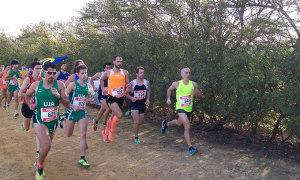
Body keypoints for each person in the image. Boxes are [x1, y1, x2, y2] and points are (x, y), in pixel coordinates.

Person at [25, 62, 69, 180]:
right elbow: (27, 96)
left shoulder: (60, 85)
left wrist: (59, 96)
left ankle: (38, 160)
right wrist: (30, 104)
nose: (51, 75)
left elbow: (67, 104)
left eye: (54, 73)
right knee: (47, 145)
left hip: (53, 121)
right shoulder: (35, 85)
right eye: (49, 73)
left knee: (47, 146)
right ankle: (40, 166)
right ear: (43, 72)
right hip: (39, 119)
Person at [161, 67, 201, 155]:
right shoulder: (176, 84)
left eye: (189, 73)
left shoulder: (194, 84)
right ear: (181, 74)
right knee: (187, 125)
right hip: (180, 108)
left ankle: (165, 124)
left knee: (179, 123)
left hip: (189, 109)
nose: (188, 74)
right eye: (186, 73)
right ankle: (191, 148)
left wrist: (196, 93)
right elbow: (169, 90)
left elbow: (199, 95)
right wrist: (168, 98)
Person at [60, 64, 94, 167]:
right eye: (82, 73)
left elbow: (85, 99)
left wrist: (89, 100)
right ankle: (63, 121)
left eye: (85, 73)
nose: (84, 75)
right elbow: (64, 97)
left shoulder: (88, 86)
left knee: (83, 134)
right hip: (72, 112)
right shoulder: (73, 84)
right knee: (68, 134)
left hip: (82, 112)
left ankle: (82, 158)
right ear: (78, 74)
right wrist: (71, 105)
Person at [100, 55, 129, 142]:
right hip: (111, 97)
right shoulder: (108, 72)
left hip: (120, 98)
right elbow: (101, 79)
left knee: (113, 116)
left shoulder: (125, 72)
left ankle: (105, 133)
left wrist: (128, 87)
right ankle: (111, 132)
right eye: (118, 61)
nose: (119, 63)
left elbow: (127, 83)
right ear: (114, 62)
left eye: (121, 62)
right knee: (119, 114)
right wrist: (102, 88)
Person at [18, 61, 43, 159]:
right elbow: (20, 94)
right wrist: (30, 95)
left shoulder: (42, 79)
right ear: (32, 69)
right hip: (27, 105)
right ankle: (23, 124)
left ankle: (38, 151)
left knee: (38, 130)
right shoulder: (28, 79)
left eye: (40, 68)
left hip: (37, 107)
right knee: (27, 128)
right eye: (37, 68)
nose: (39, 70)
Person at [125, 67, 150, 144]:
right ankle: (136, 137)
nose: (142, 74)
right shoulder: (132, 83)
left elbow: (148, 91)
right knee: (136, 122)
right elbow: (126, 93)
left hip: (142, 104)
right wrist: (131, 98)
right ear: (137, 74)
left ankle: (130, 112)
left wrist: (148, 99)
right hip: (134, 104)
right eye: (140, 73)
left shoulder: (146, 82)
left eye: (143, 72)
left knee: (140, 122)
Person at [90, 62, 111, 136]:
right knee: (107, 109)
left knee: (102, 109)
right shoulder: (100, 74)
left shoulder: (112, 74)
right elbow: (91, 79)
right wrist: (93, 87)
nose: (108, 69)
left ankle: (96, 121)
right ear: (104, 68)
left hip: (108, 94)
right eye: (107, 68)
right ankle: (104, 125)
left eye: (109, 68)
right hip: (101, 94)